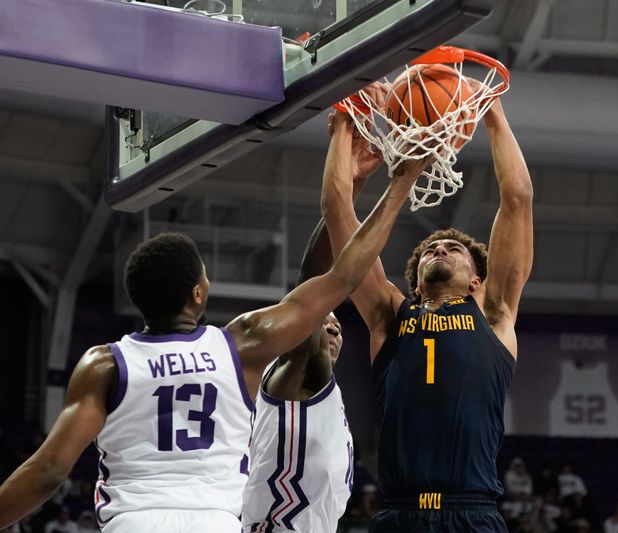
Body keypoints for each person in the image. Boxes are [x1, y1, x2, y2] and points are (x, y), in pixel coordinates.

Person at [0, 128, 433, 531]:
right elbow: (341, 276)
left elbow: (50, 471)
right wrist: (397, 184)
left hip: (136, 521)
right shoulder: (241, 343)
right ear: (198, 294)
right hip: (216, 522)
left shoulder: (104, 364)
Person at [322, 81, 533, 531]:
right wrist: (343, 125)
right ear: (414, 283)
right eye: (432, 248)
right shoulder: (390, 316)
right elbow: (338, 214)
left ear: (477, 279)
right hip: (399, 513)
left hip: (472, 512)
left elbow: (517, 200)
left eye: (453, 250)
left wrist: (490, 110)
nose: (440, 247)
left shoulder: (494, 315)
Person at [241, 116, 384, 533]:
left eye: (339, 324)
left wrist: (352, 192)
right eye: (326, 321)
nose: (335, 327)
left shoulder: (319, 389)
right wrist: (351, 188)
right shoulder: (295, 373)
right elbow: (314, 281)